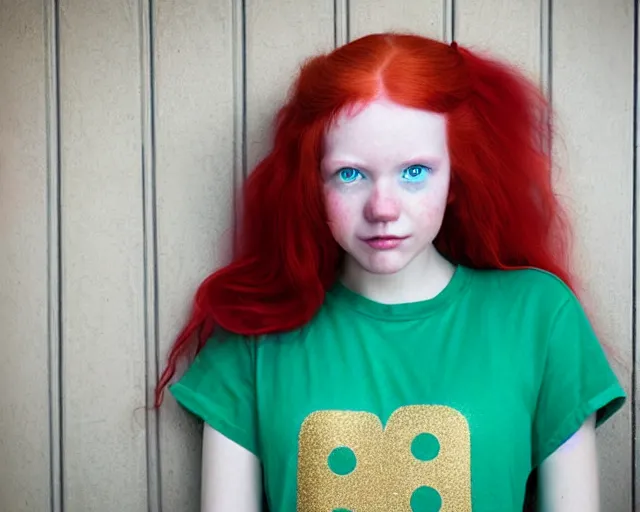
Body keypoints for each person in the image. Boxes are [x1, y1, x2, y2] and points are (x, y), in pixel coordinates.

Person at [155, 33, 626, 511]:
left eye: (415, 172)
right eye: (350, 174)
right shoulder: (253, 336)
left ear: (455, 176)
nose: (383, 208)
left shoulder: (538, 318)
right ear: (312, 183)